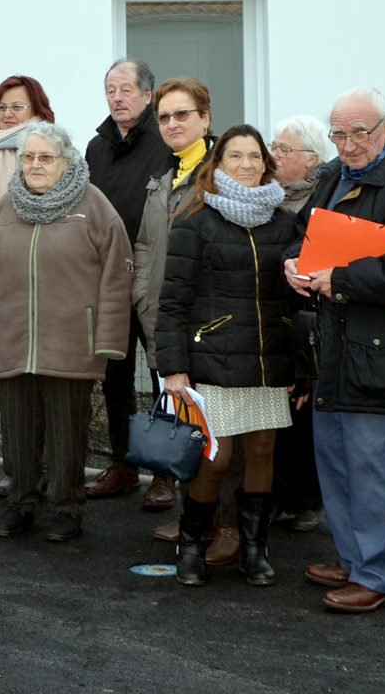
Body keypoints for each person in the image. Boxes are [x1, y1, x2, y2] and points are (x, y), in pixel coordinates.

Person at [283, 87, 385, 613]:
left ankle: (378, 574)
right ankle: (353, 558)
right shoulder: (333, 176)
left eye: (360, 131)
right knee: (335, 460)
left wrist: (346, 280)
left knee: (372, 464)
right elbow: (301, 233)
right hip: (332, 346)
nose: (349, 143)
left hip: (380, 350)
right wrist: (293, 261)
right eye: (339, 133)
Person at [156, 125, 302, 587]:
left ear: (266, 164)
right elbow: (173, 301)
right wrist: (173, 367)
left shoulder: (285, 223)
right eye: (235, 155)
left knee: (262, 452)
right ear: (217, 164)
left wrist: (304, 367)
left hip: (268, 358)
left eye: (254, 156)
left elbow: (298, 301)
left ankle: (255, 551)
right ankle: (192, 545)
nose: (246, 163)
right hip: (213, 359)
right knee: (216, 459)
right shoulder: (194, 219)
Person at [0, 122, 131, 543]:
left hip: (72, 344)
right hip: (12, 342)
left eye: (45, 157)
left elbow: (117, 279)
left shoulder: (94, 207)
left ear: (67, 161)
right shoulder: (4, 210)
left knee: (67, 433)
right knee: (18, 431)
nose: (36, 165)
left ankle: (67, 506)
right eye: (28, 158)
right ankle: (21, 503)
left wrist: (108, 342)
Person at [123, 76, 218, 521]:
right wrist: (143, 299)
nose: (172, 123)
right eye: (164, 116)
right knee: (184, 431)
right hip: (165, 323)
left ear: (205, 119)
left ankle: (218, 528)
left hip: (210, 332)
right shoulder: (164, 175)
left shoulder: (219, 176)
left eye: (183, 114)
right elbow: (143, 244)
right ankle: (191, 526)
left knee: (216, 435)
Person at [81, 59, 174, 509]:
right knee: (114, 373)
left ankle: (164, 473)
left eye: (125, 90)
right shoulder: (96, 147)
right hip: (108, 275)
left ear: (147, 95)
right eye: (110, 90)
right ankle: (122, 465)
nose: (117, 98)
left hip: (155, 276)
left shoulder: (165, 144)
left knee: (163, 377)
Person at [269, 115, 331, 532]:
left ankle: (305, 501)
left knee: (303, 414)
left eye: (283, 150)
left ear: (311, 160)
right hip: (271, 321)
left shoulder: (323, 200)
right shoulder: (268, 197)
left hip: (306, 321)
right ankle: (276, 497)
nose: (274, 156)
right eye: (274, 147)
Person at [0, 74, 55, 197]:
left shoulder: (58, 155)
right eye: (2, 108)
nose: (7, 114)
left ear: (37, 110)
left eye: (17, 107)